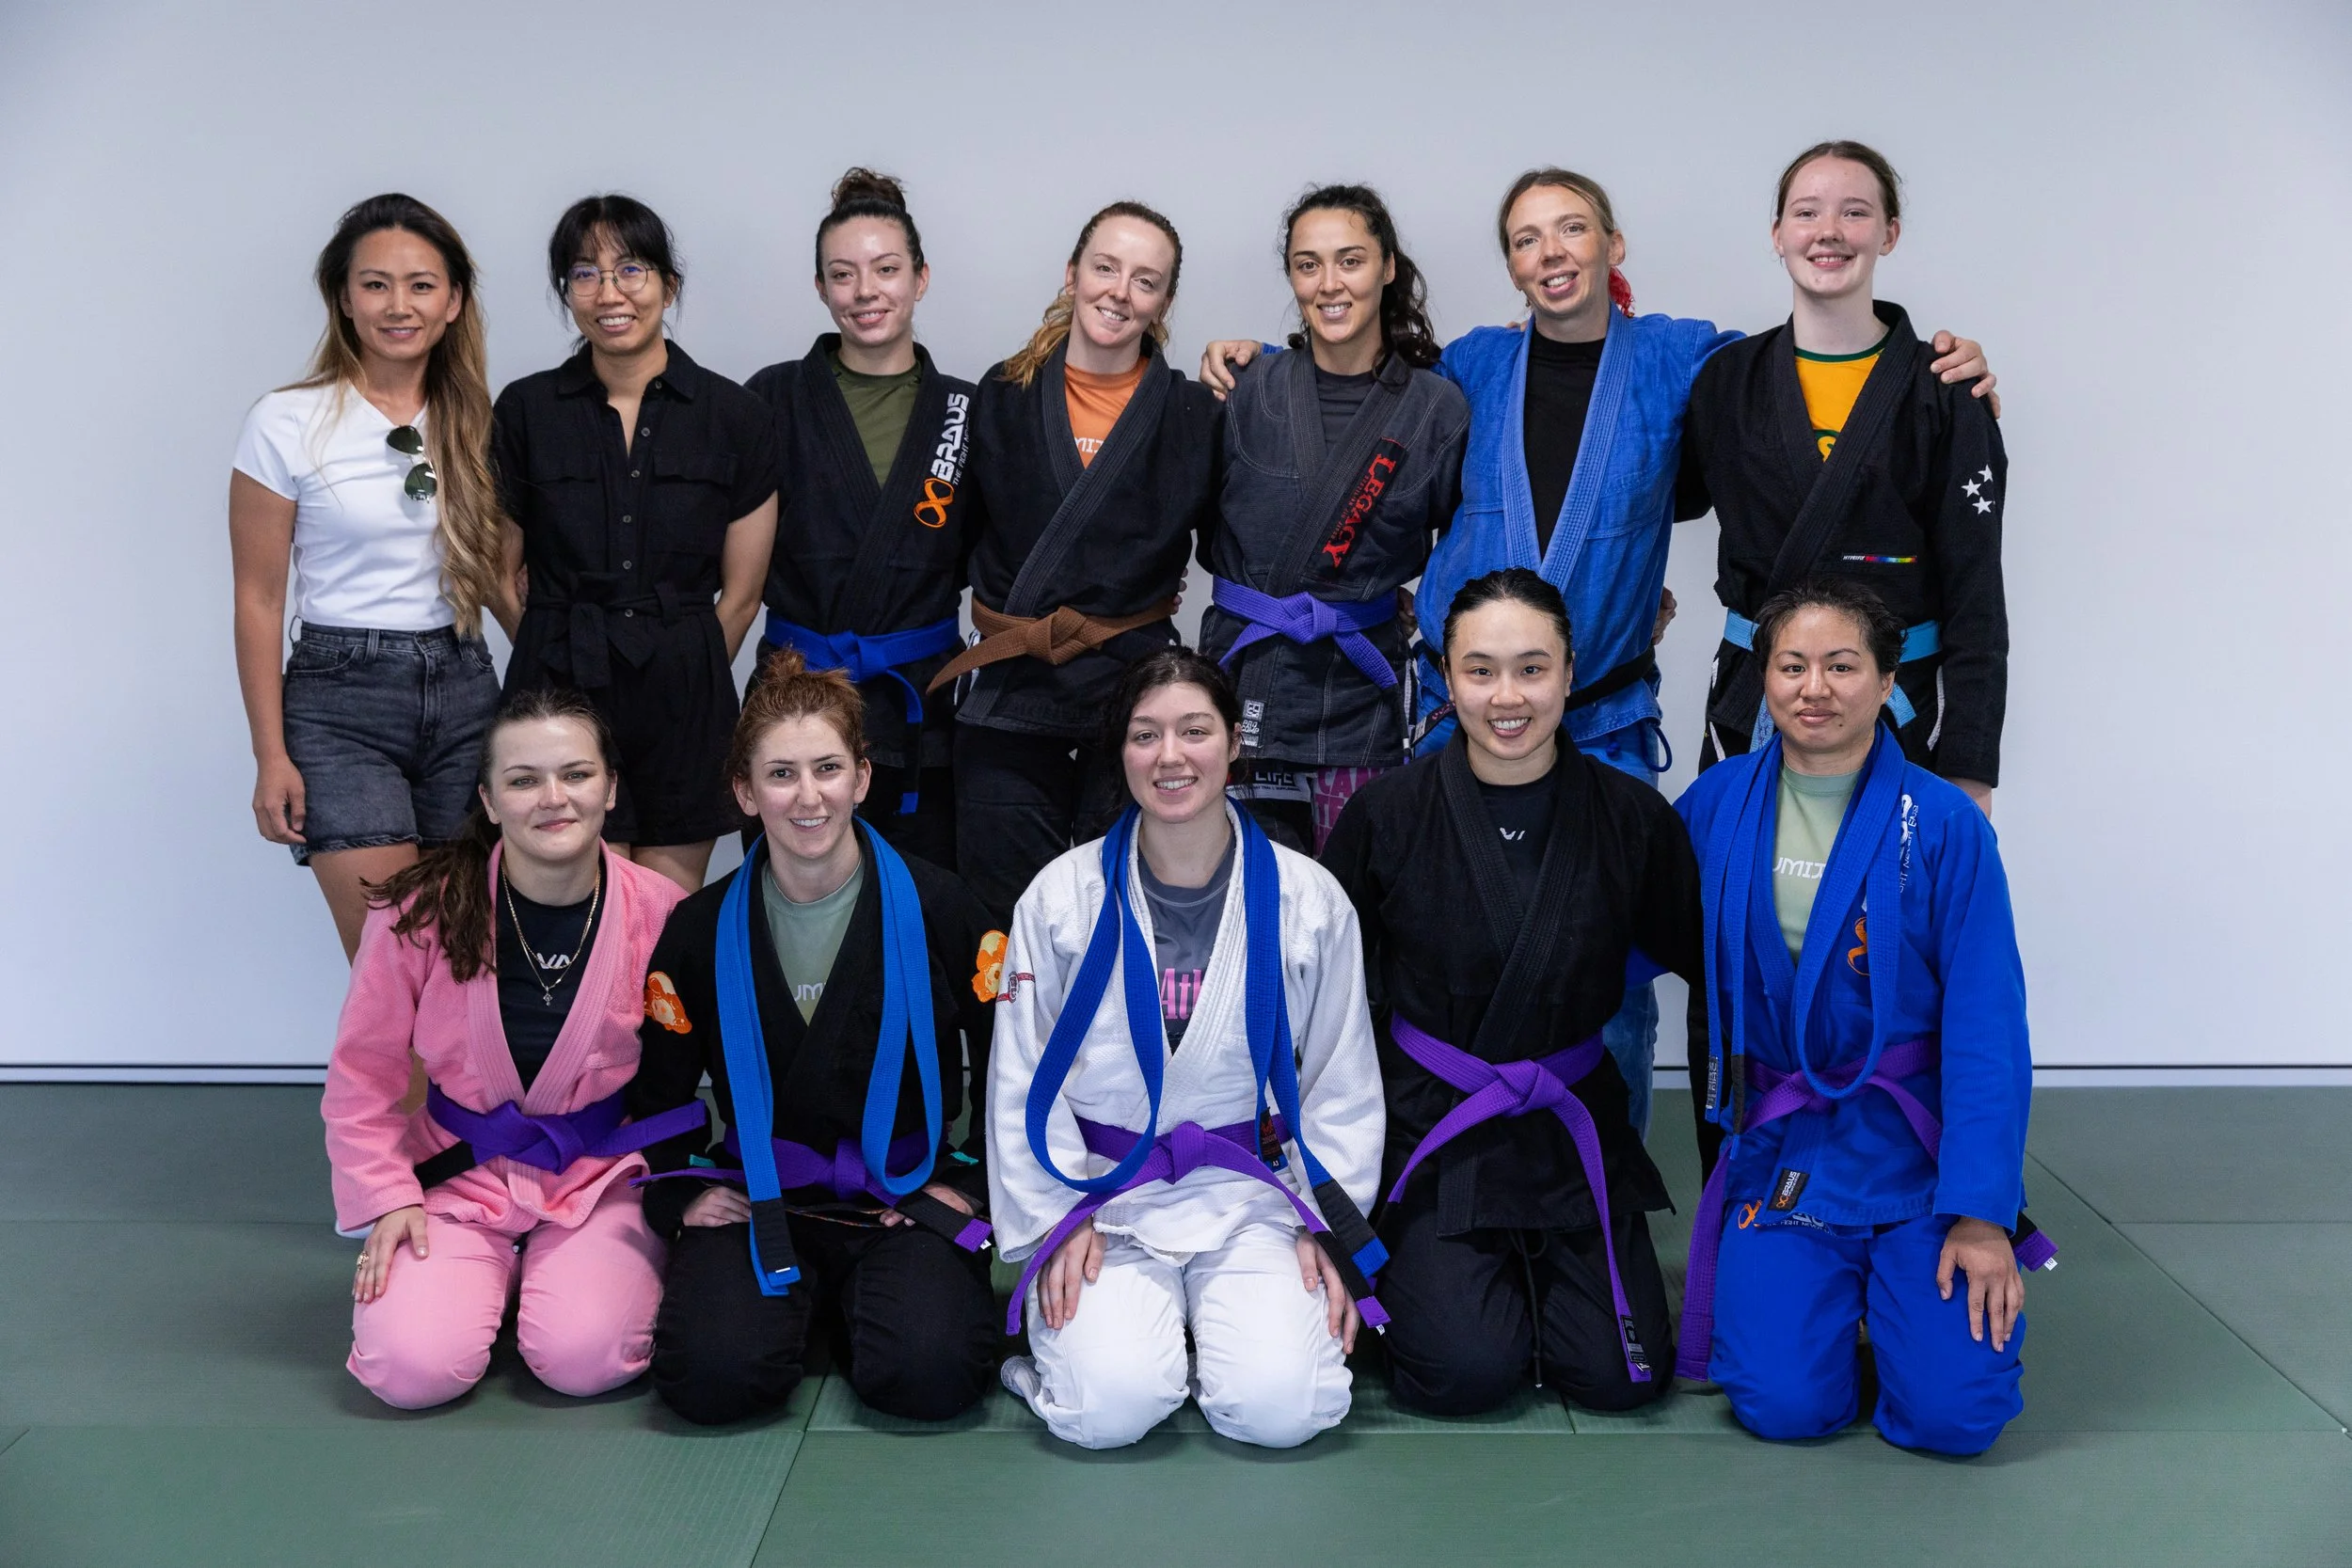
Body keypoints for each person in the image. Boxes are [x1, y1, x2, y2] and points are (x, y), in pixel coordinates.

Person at [1202, 169, 1997, 1137]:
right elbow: (1369, 400)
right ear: (1509, 264)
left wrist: (1931, 362)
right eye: (1528, 238)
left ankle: (1605, 1175)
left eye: (1573, 229)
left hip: (1604, 719)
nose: (1553, 253)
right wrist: (1254, 358)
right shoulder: (1470, 367)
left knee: (1609, 959)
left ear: (1612, 247)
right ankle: (1418, 1154)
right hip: (1461, 715)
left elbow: (1799, 371)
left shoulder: (1684, 357)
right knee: (1433, 939)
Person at [1673, 577, 2045, 1456]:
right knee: (1783, 1407)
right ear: (1763, 677)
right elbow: (1626, 931)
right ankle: (1848, 1316)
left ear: (1886, 682)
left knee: (1957, 1419)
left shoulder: (1947, 824)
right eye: (1792, 665)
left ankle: (1906, 1316)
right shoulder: (1716, 806)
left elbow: (1989, 1031)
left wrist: (1983, 1216)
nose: (1815, 688)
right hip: (1785, 1156)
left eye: (1843, 666)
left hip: (1915, 1157)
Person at [1323, 569, 1701, 1416]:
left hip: (1572, 1123)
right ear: (1445, 677)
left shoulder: (1635, 819)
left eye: (1532, 669)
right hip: (1437, 1123)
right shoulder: (1387, 817)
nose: (1508, 696)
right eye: (1481, 669)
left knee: (1623, 1377)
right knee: (1463, 1375)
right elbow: (1331, 1000)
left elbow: (1702, 965)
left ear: (1571, 673)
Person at [989, 650, 1386, 1449]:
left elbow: (1341, 1080)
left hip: (1255, 1199)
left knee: (1284, 1410)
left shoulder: (1309, 899)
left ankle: (1212, 1342)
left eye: (1194, 730)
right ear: (1122, 752)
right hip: (1104, 1197)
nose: (1171, 756)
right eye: (1146, 735)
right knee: (1108, 1411)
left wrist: (1327, 1225)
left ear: (1233, 741)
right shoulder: (1061, 898)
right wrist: (1058, 1223)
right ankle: (1129, 1347)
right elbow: (1019, 1079)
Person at [627, 650, 1000, 1425]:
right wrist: (688, 1188)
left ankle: (856, 1305)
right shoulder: (698, 929)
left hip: (904, 1193)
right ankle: (812, 1305)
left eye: (828, 768)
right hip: (763, 1194)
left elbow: (1013, 1065)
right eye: (780, 774)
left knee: (930, 1375)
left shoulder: (944, 908)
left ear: (862, 777)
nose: (808, 796)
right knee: (709, 1379)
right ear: (744, 791)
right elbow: (660, 1094)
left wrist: (968, 1184)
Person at [323, 688, 694, 1409]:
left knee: (585, 1359)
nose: (553, 798)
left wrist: (689, 1192)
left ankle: (552, 1274)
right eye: (523, 780)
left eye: (577, 774)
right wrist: (388, 1195)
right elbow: (361, 1073)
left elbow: (702, 1072)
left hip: (599, 1178)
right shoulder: (419, 910)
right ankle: (488, 1272)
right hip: (457, 1181)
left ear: (611, 787)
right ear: (489, 800)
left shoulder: (662, 914)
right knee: (409, 1371)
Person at [1684, 141, 2010, 814]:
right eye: (1806, 212)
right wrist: (1542, 343)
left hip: (1899, 707)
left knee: (1888, 907)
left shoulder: (1945, 390)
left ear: (1889, 234)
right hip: (1755, 703)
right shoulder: (1727, 380)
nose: (1828, 232)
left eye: (1855, 212)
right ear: (1778, 235)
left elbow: (1977, 597)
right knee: (1735, 905)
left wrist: (1971, 770)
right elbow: (1654, 499)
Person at [925, 201, 1223, 925]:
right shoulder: (1000, 395)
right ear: (1071, 275)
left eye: (1145, 280)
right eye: (1105, 267)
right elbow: (947, 546)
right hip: (1007, 695)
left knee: (1123, 923)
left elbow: (1227, 548)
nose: (1120, 291)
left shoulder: (1195, 413)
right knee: (1005, 931)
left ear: (1165, 302)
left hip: (1133, 708)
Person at [231, 193, 508, 959]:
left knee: (468, 957)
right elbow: (258, 599)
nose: (399, 304)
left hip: (465, 691)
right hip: (339, 702)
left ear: (453, 301)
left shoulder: (480, 420)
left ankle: (457, 1089)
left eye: (421, 284)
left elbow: (501, 579)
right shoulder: (286, 421)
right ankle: (401, 1088)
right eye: (376, 283)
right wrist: (270, 755)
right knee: (395, 963)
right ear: (344, 298)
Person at [495, 194, 780, 894]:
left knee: (664, 915)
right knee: (578, 910)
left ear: (668, 285)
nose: (610, 292)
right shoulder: (527, 410)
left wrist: (685, 662)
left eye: (631, 269)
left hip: (685, 691)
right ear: (567, 292)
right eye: (586, 274)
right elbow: (497, 575)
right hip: (558, 687)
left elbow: (742, 596)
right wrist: (547, 643)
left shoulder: (735, 416)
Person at [1197, 185, 1469, 852]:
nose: (1328, 284)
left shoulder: (1436, 408)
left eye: (1350, 260)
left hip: (1358, 690)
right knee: (1243, 900)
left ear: (1388, 267)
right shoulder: (1244, 386)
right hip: (1245, 678)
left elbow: (1463, 543)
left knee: (1351, 900)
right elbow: (1178, 511)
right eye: (1307, 264)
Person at [745, 168, 978, 867]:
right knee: (786, 909)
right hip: (794, 695)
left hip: (920, 707)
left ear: (921, 277)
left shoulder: (967, 411)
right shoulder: (772, 398)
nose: (865, 291)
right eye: (843, 275)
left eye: (886, 269)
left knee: (920, 910)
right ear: (820, 287)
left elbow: (1013, 547)